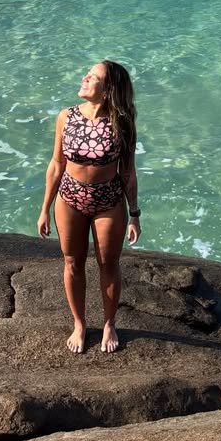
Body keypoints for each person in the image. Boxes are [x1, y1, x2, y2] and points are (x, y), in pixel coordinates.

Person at [38, 60, 140, 354]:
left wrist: (134, 214)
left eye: (93, 77)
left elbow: (128, 172)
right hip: (69, 199)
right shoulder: (66, 117)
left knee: (109, 264)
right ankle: (80, 324)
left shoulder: (124, 123)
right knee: (73, 262)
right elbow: (57, 164)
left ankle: (109, 323)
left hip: (109, 202)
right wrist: (45, 208)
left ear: (108, 90)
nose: (84, 78)